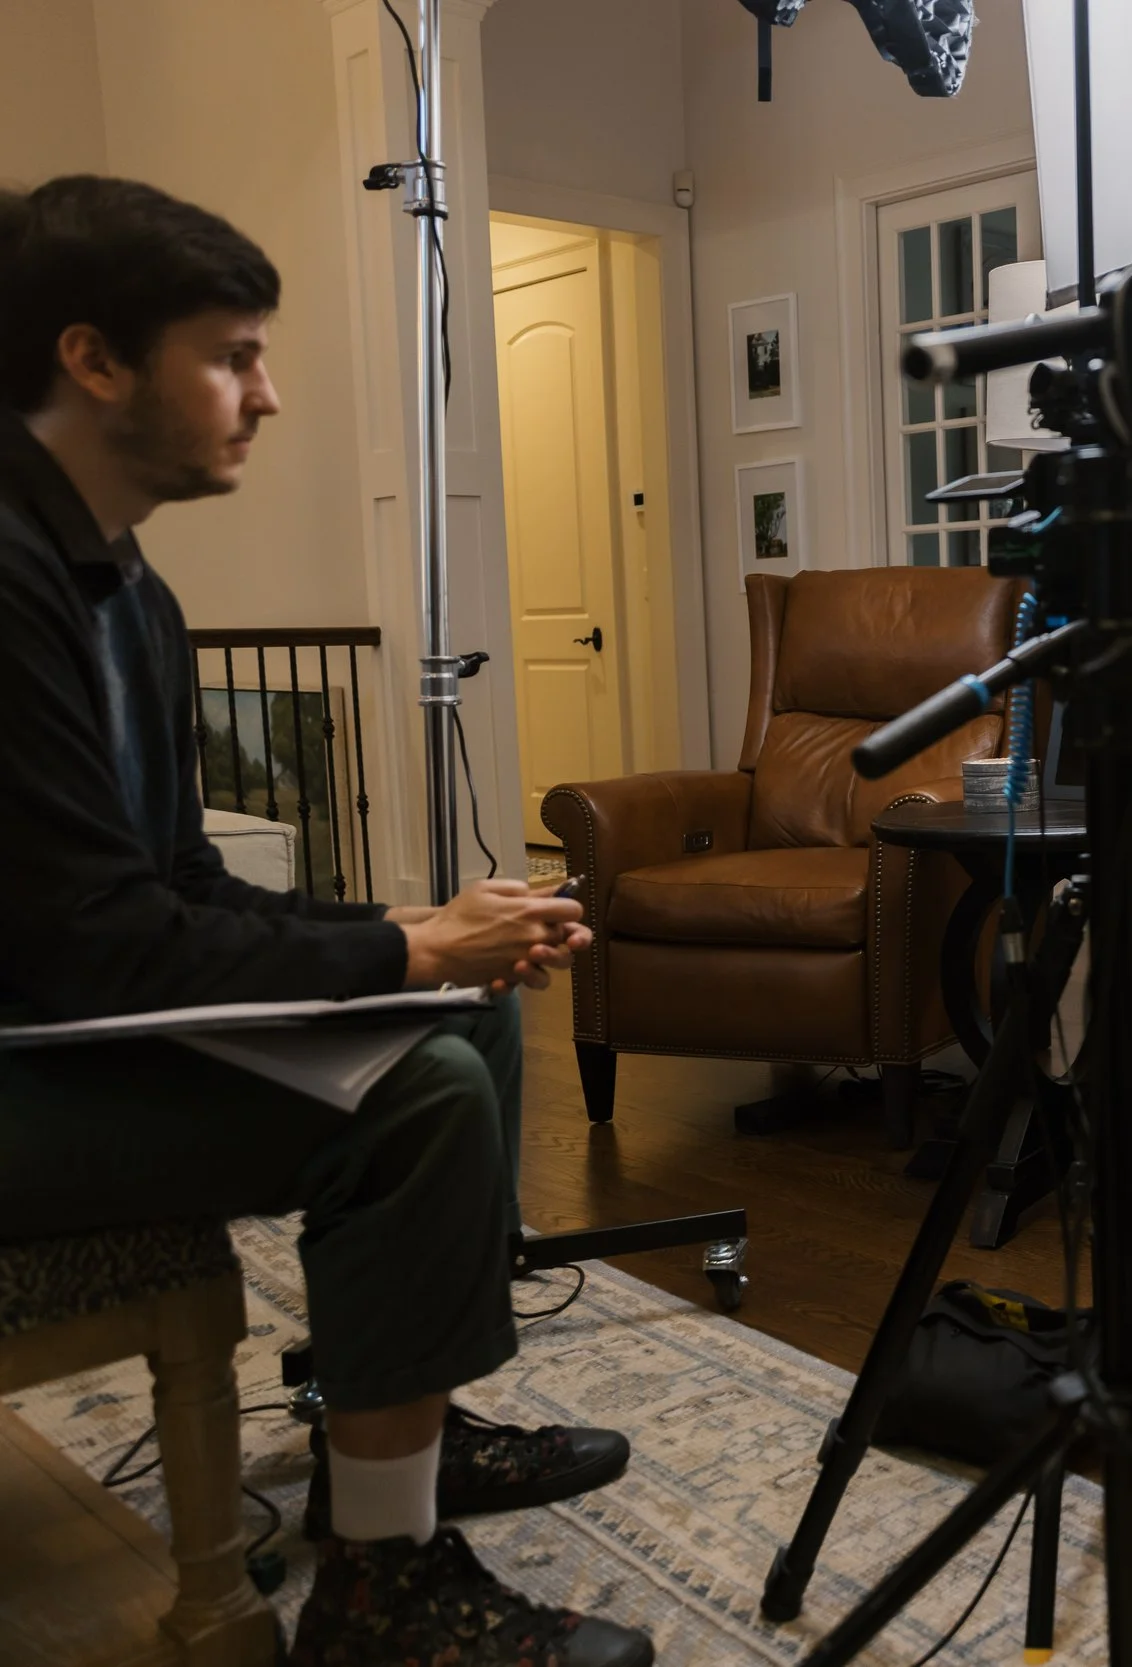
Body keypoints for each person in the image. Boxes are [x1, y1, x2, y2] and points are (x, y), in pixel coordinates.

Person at [0, 177, 652, 1666]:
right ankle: (381, 1593)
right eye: (233, 355)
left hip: (65, 1016)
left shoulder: (130, 592)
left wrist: (422, 929)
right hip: (25, 1051)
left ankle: (408, 1425)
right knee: (421, 1094)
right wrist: (407, 946)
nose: (269, 393)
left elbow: (178, 884)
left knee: (462, 1011)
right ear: (94, 359)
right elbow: (96, 945)